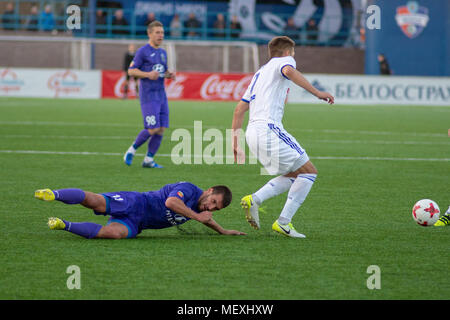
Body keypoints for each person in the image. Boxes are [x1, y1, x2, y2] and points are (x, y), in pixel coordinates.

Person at [231, 36, 334, 238]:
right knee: (309, 172)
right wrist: (317, 93)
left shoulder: (260, 73)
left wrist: (235, 143)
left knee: (295, 174)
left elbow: (238, 110)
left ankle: (255, 199)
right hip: (269, 129)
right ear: (287, 52)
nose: (293, 57)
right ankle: (283, 222)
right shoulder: (285, 62)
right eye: (293, 53)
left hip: (253, 132)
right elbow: (288, 71)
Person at [34, 183, 246, 239]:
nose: (210, 208)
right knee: (95, 201)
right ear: (209, 191)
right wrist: (198, 216)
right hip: (136, 203)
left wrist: (224, 231)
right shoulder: (189, 189)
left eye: (215, 208)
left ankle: (63, 224)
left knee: (114, 234)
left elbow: (205, 219)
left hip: (138, 224)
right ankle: (54, 194)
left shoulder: (200, 210)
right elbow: (171, 203)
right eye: (213, 201)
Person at [123, 21, 175, 168]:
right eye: (157, 32)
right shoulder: (142, 51)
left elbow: (161, 72)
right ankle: (131, 150)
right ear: (149, 34)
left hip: (161, 95)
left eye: (162, 33)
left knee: (161, 128)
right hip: (148, 95)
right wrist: (146, 74)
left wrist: (168, 74)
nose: (161, 35)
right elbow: (131, 71)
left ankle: (148, 160)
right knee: (152, 128)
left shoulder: (163, 53)